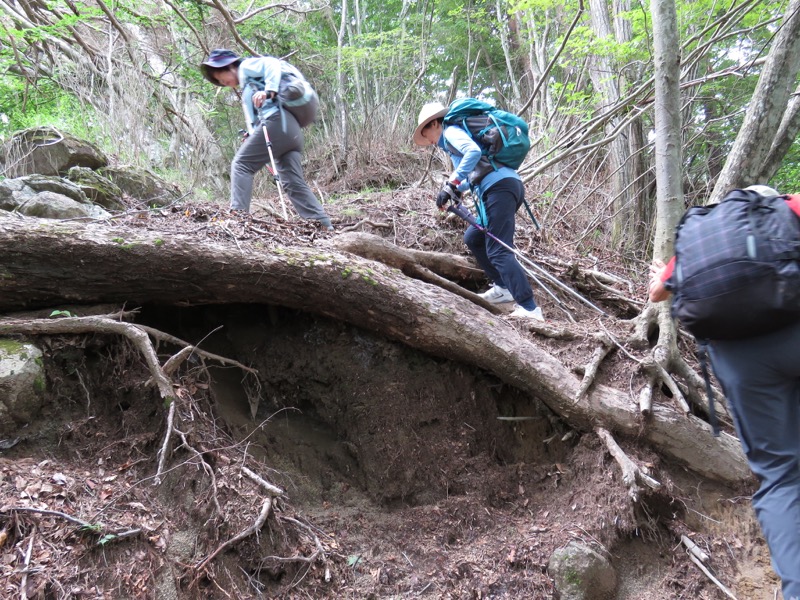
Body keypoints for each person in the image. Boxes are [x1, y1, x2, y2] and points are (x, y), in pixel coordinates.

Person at [649, 184, 800, 600]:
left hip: (742, 361)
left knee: (781, 476)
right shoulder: (788, 208)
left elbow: (657, 293)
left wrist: (662, 272)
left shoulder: (705, 237)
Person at [413, 101, 543, 321]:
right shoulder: (453, 137)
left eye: (427, 134)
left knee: (499, 249)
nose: (429, 141)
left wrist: (451, 183)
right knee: (474, 238)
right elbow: (474, 173)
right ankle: (503, 289)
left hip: (499, 187)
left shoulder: (451, 130)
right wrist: (456, 189)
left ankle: (529, 308)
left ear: (435, 123)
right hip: (502, 185)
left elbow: (472, 153)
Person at [200, 49, 333, 230]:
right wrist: (252, 135)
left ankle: (237, 220)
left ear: (230, 65)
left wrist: (269, 90)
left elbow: (271, 63)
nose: (225, 83)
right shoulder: (250, 84)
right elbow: (256, 117)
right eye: (221, 83)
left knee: (241, 164)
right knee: (292, 182)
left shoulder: (246, 66)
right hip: (290, 131)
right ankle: (323, 226)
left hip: (278, 123)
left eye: (223, 78)